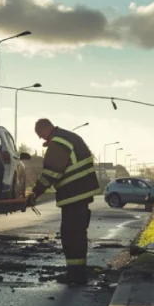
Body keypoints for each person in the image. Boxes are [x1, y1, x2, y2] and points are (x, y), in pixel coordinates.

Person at [26, 118, 100, 285]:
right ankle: (76, 272)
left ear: (44, 130)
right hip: (80, 193)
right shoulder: (68, 137)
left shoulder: (58, 142)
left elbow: (51, 173)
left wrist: (35, 193)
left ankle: (75, 275)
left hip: (74, 193)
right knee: (76, 233)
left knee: (71, 234)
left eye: (40, 135)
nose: (41, 139)